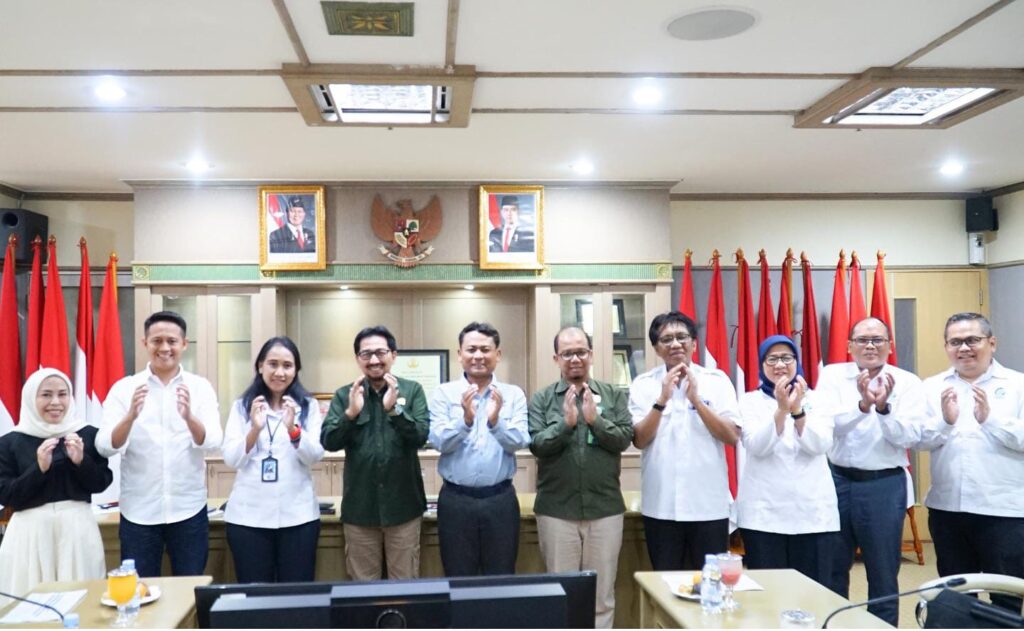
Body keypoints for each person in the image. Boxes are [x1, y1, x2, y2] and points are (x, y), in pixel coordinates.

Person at [815, 317, 924, 626]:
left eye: (878, 340)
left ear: (890, 346)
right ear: (850, 346)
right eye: (863, 340)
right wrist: (862, 406)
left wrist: (885, 409)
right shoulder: (832, 376)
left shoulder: (908, 382)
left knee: (882, 570)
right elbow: (827, 427)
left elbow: (910, 438)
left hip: (883, 485)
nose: (870, 346)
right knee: (832, 567)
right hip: (836, 480)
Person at [97, 310, 223, 578]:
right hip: (139, 513)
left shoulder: (200, 388)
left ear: (184, 344)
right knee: (140, 593)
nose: (164, 348)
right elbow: (105, 445)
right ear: (145, 343)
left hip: (188, 509)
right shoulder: (124, 389)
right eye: (156, 341)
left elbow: (213, 441)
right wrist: (130, 417)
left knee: (190, 588)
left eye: (172, 341)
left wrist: (189, 417)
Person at [917, 312, 1024, 612]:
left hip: (1003, 511)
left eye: (972, 340)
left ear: (992, 343)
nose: (964, 348)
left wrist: (991, 420)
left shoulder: (1017, 384)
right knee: (954, 598)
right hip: (948, 509)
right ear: (946, 347)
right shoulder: (932, 386)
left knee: (1006, 595)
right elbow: (918, 440)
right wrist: (944, 422)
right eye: (955, 342)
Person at [529, 326, 633, 628]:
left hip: (605, 510)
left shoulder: (612, 395)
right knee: (561, 594)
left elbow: (625, 439)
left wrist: (595, 421)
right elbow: (537, 445)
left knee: (602, 597)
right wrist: (566, 424)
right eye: (567, 353)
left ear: (591, 354)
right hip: (557, 512)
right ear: (556, 358)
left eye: (580, 352)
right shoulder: (543, 399)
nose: (575, 358)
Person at [628, 311, 741, 570]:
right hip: (661, 506)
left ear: (693, 343)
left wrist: (697, 402)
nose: (675, 344)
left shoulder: (717, 381)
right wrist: (662, 400)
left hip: (708, 506)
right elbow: (640, 440)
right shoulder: (643, 385)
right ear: (656, 348)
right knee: (665, 584)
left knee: (710, 585)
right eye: (666, 339)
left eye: (681, 337)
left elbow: (731, 436)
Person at [320, 325, 429, 580]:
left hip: (404, 509)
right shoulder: (345, 395)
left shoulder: (412, 391)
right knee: (363, 589)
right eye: (366, 354)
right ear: (358, 359)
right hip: (360, 510)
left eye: (381, 352)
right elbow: (329, 441)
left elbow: (421, 437)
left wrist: (394, 411)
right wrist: (350, 414)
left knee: (404, 586)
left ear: (393, 354)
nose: (374, 360)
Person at [0, 369, 112, 603]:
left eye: (62, 394)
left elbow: (101, 482)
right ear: (31, 398)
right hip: (28, 534)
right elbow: (8, 495)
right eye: (46, 395)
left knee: (83, 602)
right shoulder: (10, 442)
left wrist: (81, 462)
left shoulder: (88, 435)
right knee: (26, 605)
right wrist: (38, 468)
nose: (55, 402)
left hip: (77, 530)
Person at [735, 335, 838, 586]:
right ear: (761, 364)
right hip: (764, 515)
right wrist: (781, 410)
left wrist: (797, 410)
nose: (779, 364)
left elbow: (820, 444)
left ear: (797, 361)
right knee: (769, 594)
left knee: (814, 592)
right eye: (772, 359)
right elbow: (756, 446)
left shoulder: (819, 399)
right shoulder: (749, 401)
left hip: (813, 514)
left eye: (786, 358)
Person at [428, 322, 530, 576]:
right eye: (471, 349)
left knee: (502, 574)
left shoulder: (513, 394)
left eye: (485, 349)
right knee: (458, 576)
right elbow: (439, 441)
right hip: (456, 501)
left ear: (498, 354)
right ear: (459, 354)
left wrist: (496, 422)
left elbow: (520, 440)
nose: (478, 356)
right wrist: (465, 421)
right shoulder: (443, 393)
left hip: (500, 500)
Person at [222, 336, 325, 583]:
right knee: (254, 596)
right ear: (260, 366)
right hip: (249, 518)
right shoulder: (242, 406)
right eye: (273, 364)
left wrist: (293, 430)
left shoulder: (308, 406)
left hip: (298, 517)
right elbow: (231, 459)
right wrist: (254, 430)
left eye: (287, 365)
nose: (280, 372)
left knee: (297, 595)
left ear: (296, 370)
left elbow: (315, 456)